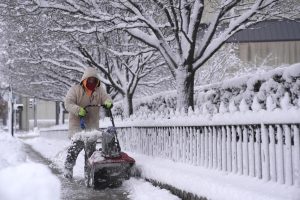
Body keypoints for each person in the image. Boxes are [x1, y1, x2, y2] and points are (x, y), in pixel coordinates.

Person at [63, 67, 113, 179]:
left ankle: (88, 173)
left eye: (94, 80)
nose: (91, 82)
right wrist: (78, 110)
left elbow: (106, 98)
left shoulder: (99, 90)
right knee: (75, 148)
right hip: (77, 126)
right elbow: (68, 103)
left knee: (90, 153)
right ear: (84, 80)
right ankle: (68, 167)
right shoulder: (75, 90)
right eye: (89, 80)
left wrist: (108, 102)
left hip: (92, 127)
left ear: (97, 81)